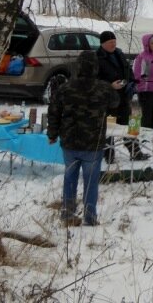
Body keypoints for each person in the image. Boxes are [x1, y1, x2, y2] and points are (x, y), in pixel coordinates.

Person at [48, 50, 119, 226]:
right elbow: (116, 102)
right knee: (91, 182)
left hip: (70, 144)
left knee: (70, 178)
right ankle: (90, 216)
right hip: (93, 145)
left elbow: (54, 112)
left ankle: (68, 214)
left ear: (78, 66)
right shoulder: (103, 88)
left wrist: (52, 134)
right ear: (96, 67)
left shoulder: (65, 88)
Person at [96, 30, 148, 161]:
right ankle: (108, 156)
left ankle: (136, 152)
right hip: (108, 101)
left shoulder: (119, 53)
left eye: (114, 42)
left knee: (132, 126)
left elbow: (128, 70)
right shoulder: (97, 58)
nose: (113, 44)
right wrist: (110, 85)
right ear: (103, 44)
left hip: (124, 97)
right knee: (109, 129)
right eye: (110, 43)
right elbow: (94, 81)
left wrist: (131, 82)